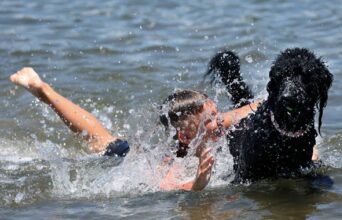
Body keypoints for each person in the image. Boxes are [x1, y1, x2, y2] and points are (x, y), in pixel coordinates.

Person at [9, 67, 260, 191]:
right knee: (100, 142)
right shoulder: (171, 158)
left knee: (101, 135)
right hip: (127, 155)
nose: (219, 121)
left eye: (216, 114)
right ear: (185, 135)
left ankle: (42, 89)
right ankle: (42, 88)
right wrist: (197, 183)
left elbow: (250, 108)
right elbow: (166, 187)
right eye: (210, 119)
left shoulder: (216, 125)